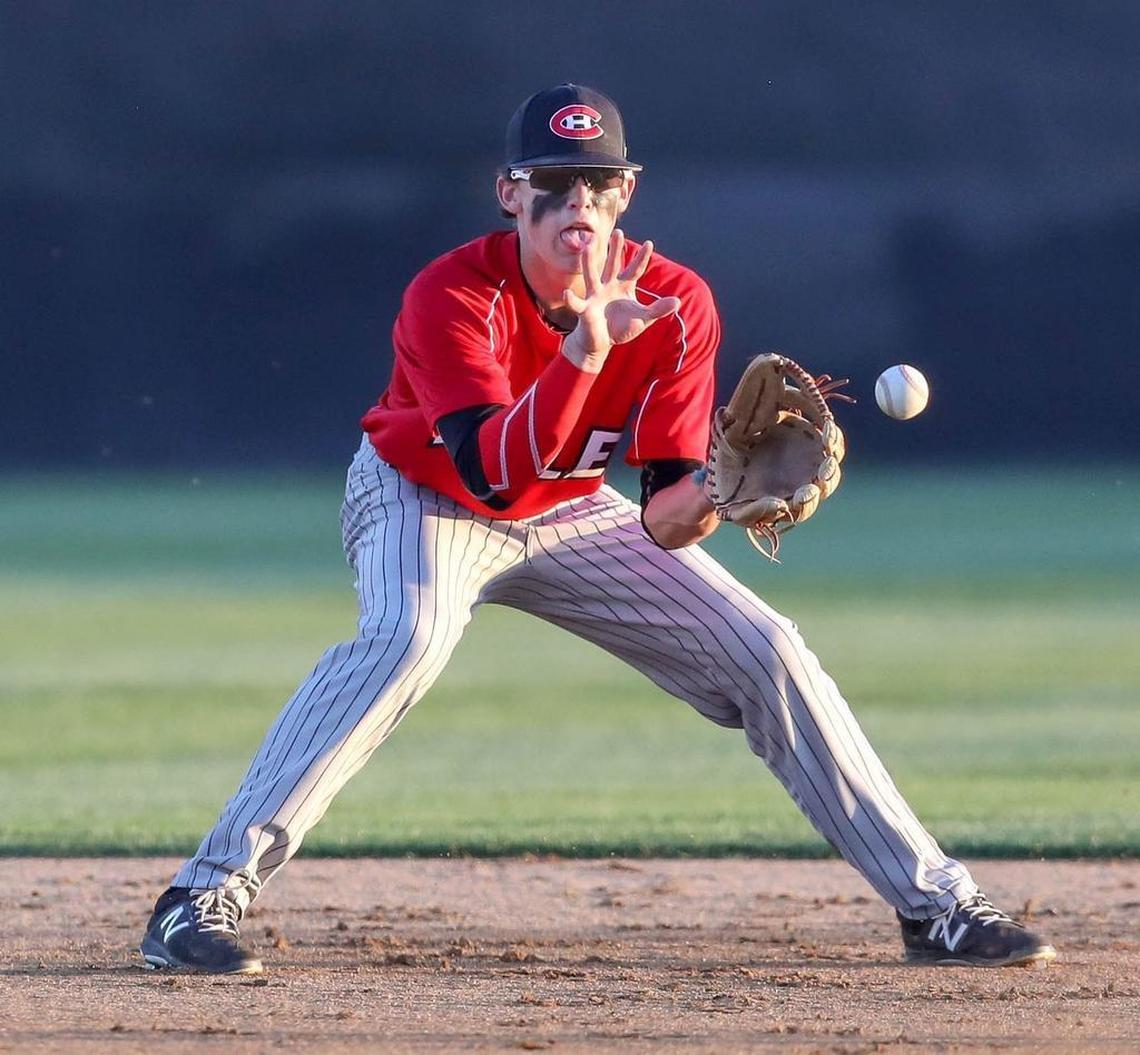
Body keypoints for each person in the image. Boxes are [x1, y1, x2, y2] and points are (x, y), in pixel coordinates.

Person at [140, 84, 1055, 974]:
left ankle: (937, 903)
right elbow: (493, 468)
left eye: (600, 182)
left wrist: (718, 491)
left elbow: (661, 516)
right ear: (511, 194)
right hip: (424, 496)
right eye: (553, 180)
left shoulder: (677, 302)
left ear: (628, 193)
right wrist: (589, 343)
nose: (578, 200)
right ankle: (202, 895)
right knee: (405, 640)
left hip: (575, 509)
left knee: (769, 648)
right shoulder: (452, 294)